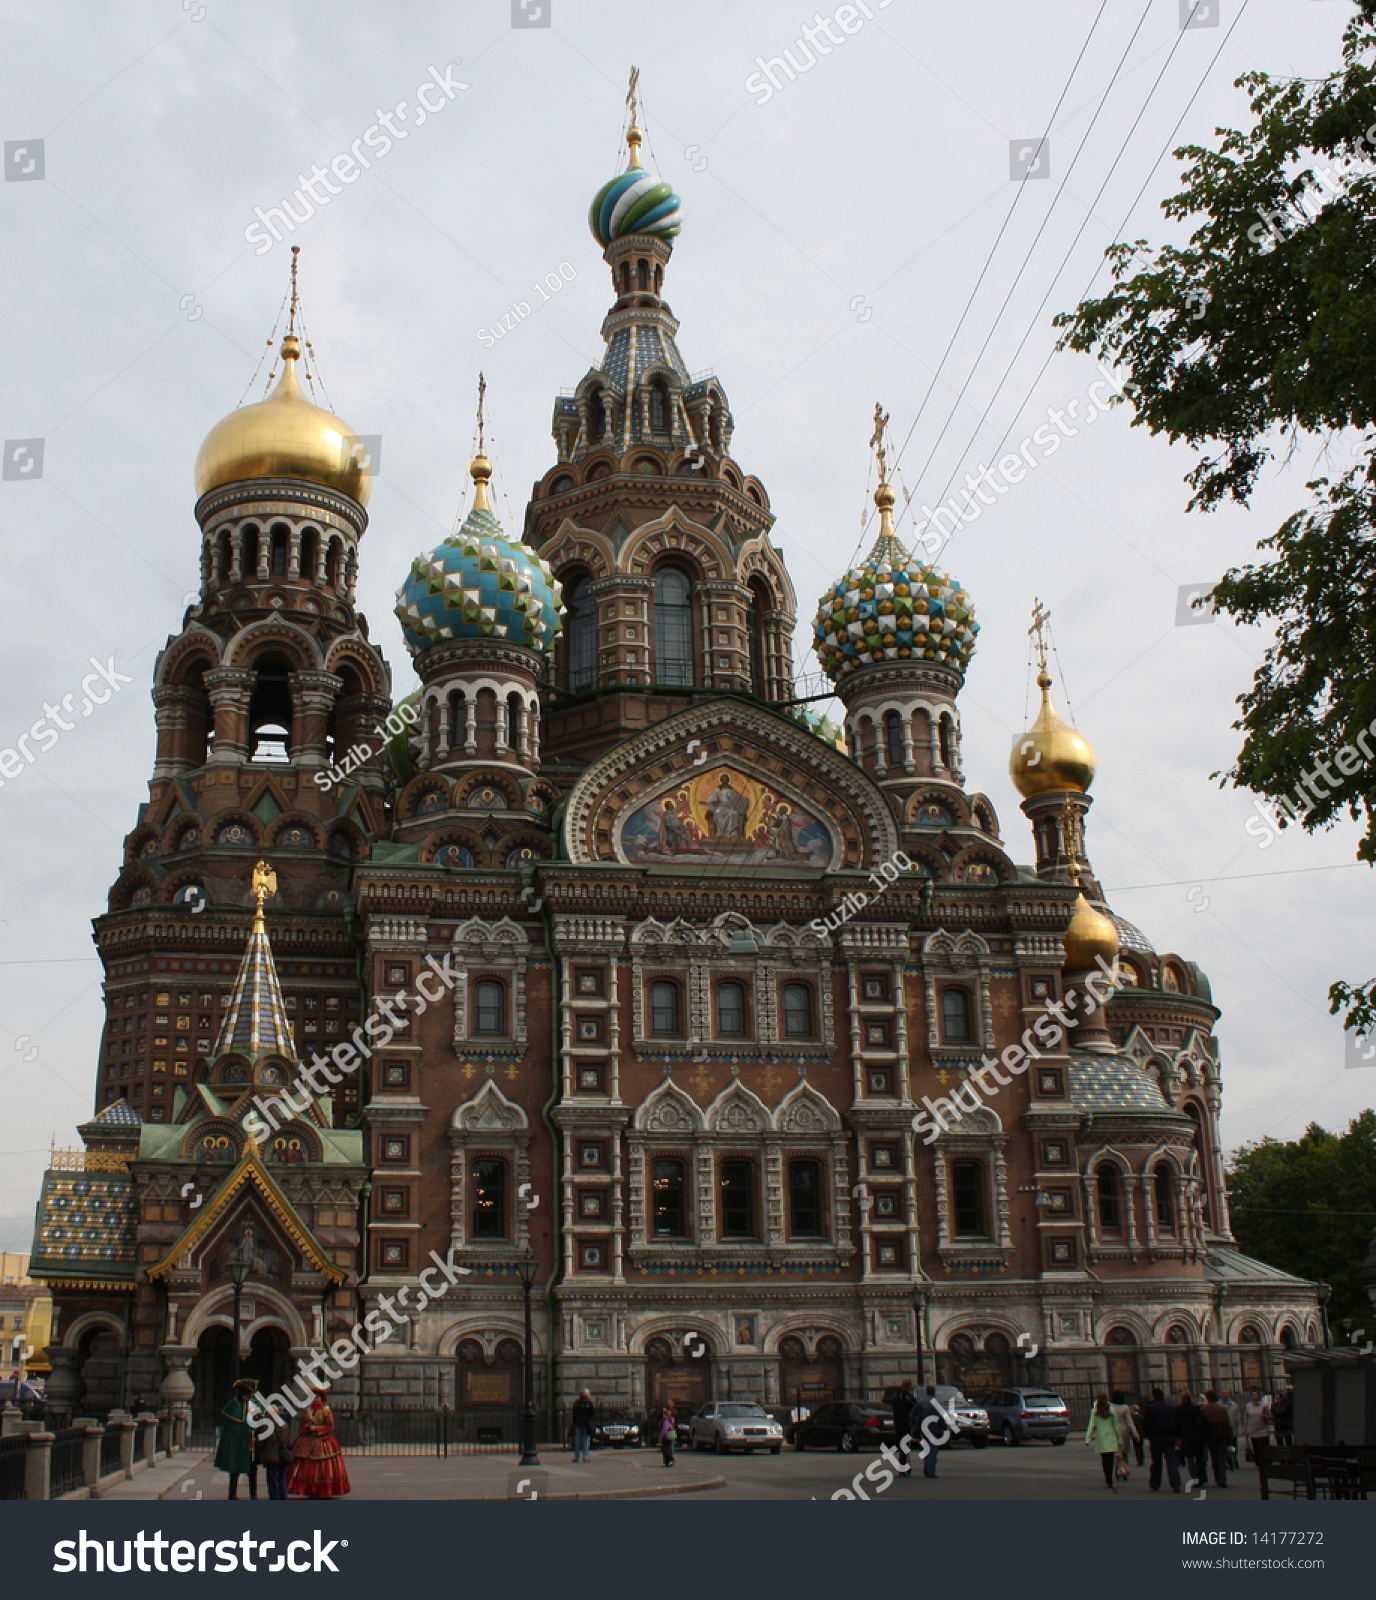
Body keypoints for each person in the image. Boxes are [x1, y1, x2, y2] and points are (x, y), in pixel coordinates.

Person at [287, 1387, 350, 1499]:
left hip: (323, 1440)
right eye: (313, 1397)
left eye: (317, 1397)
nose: (315, 1399)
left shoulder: (326, 1410)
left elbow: (330, 1426)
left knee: (323, 1466)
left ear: (321, 1399)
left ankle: (323, 1490)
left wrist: (316, 1429)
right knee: (305, 1464)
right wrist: (308, 1428)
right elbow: (303, 1424)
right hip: (308, 1439)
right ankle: (309, 1489)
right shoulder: (307, 1410)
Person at [214, 1377, 258, 1501]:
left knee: (252, 1471)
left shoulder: (253, 1404)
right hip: (238, 1446)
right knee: (234, 1472)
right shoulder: (234, 1405)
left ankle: (253, 1495)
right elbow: (231, 1430)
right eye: (249, 1393)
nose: (251, 1395)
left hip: (250, 1446)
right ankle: (232, 1495)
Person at [1141, 1387, 1182, 1492]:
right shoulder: (1172, 1408)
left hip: (1156, 1437)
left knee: (1156, 1460)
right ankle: (1175, 1481)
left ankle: (1155, 1483)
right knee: (1171, 1460)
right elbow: (1177, 1422)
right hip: (1170, 1436)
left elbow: (1146, 1423)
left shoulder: (1150, 1408)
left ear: (1153, 1396)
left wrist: (1147, 1434)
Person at [254, 1400, 293, 1500]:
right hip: (283, 1457)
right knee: (282, 1480)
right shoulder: (285, 1425)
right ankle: (283, 1498)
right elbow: (289, 1441)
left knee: (273, 1482)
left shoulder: (267, 1426)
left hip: (272, 1458)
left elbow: (260, 1442)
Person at [1084, 1396, 1125, 1491]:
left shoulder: (1095, 1411)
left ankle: (1107, 1477)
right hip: (1111, 1438)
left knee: (1104, 1460)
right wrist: (1120, 1440)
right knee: (1110, 1459)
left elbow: (1091, 1425)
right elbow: (1116, 1426)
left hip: (1101, 1439)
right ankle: (1110, 1478)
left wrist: (1088, 1439)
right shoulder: (1111, 1411)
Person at [908, 1384, 945, 1479]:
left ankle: (927, 1467)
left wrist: (914, 1425)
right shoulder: (936, 1403)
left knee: (926, 1449)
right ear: (933, 1392)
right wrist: (944, 1427)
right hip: (933, 1429)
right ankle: (930, 1470)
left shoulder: (920, 1402)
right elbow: (941, 1417)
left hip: (923, 1428)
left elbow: (912, 1415)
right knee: (932, 1450)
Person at [1199, 1391, 1233, 1488]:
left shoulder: (1204, 1409)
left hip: (1210, 1436)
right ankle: (1222, 1477)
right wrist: (1230, 1437)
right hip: (1222, 1435)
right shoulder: (1222, 1409)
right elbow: (1227, 1424)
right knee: (1222, 1457)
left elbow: (1201, 1425)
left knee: (1214, 1457)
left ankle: (1217, 1476)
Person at [1177, 1390, 1208, 1488]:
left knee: (1189, 1458)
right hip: (1197, 1435)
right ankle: (1202, 1477)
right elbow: (1202, 1421)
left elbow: (1177, 1424)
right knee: (1199, 1458)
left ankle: (1194, 1478)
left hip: (1185, 1436)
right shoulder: (1195, 1408)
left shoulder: (1178, 1409)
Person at [1109, 1391, 1137, 1482]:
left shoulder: (1111, 1407)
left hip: (1113, 1430)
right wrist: (1136, 1434)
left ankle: (1117, 1469)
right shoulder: (1125, 1407)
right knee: (1125, 1452)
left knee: (1117, 1453)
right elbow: (1129, 1422)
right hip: (1124, 1430)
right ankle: (1125, 1470)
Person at [890, 1379, 915, 1476]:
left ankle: (904, 1467)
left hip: (897, 1423)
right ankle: (904, 1468)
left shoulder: (895, 1396)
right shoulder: (908, 1396)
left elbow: (890, 1403)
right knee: (906, 1446)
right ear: (908, 1387)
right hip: (906, 1423)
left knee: (901, 1445)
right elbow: (914, 1406)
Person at [1241, 1389, 1272, 1463]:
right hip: (1252, 1429)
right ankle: (1258, 1460)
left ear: (1259, 1397)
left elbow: (1270, 1416)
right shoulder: (1248, 1406)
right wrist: (1245, 1429)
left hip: (1263, 1428)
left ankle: (1266, 1460)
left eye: (1255, 1395)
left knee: (1264, 1446)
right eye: (1252, 1395)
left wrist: (1265, 1416)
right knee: (1256, 1446)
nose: (1253, 1397)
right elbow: (1246, 1417)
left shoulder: (1264, 1406)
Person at [571, 1389, 595, 1462]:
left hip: (578, 1424)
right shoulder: (589, 1403)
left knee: (577, 1441)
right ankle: (585, 1457)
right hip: (586, 1425)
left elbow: (573, 1414)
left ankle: (576, 1457)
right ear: (586, 1394)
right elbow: (592, 1413)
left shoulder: (576, 1403)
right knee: (586, 1441)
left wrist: (575, 1422)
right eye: (589, 1394)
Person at [1221, 1390, 1242, 1472]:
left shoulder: (1234, 1405)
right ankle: (1226, 1462)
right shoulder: (1218, 1405)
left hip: (1232, 1430)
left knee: (1233, 1447)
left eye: (1226, 1393)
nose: (1224, 1395)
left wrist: (1239, 1430)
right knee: (1224, 1447)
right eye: (1223, 1394)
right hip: (1222, 1430)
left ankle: (1233, 1461)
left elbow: (1238, 1418)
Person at [659, 1400, 677, 1466]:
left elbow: (664, 1430)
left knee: (665, 1449)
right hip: (671, 1434)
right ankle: (669, 1460)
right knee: (670, 1447)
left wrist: (660, 1437)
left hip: (666, 1436)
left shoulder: (666, 1421)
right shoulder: (671, 1419)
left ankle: (670, 1459)